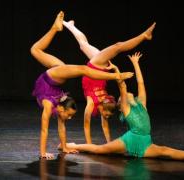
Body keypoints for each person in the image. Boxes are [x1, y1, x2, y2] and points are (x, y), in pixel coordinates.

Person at [63, 52, 184, 163]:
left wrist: (136, 63)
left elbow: (141, 83)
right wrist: (116, 71)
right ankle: (73, 145)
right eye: (122, 99)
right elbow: (122, 85)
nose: (124, 96)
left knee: (164, 151)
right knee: (99, 150)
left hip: (145, 142)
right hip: (130, 140)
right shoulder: (126, 109)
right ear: (122, 105)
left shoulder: (142, 104)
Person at [31, 11, 134, 159]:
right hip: (52, 77)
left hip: (53, 78)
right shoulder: (50, 106)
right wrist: (43, 153)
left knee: (35, 50)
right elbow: (44, 130)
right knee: (83, 69)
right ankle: (116, 75)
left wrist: (65, 147)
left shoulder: (56, 106)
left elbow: (61, 128)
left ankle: (55, 28)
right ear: (61, 107)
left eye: (71, 116)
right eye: (70, 115)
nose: (70, 118)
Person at [63, 19, 156, 144]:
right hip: (99, 66)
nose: (106, 117)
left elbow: (87, 126)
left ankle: (71, 26)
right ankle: (144, 36)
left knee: (83, 44)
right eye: (106, 115)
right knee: (117, 46)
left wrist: (93, 144)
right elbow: (104, 124)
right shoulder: (106, 103)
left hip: (94, 66)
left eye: (106, 116)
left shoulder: (91, 105)